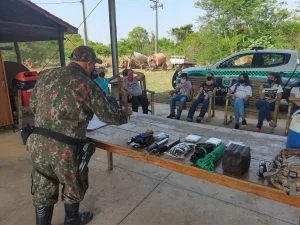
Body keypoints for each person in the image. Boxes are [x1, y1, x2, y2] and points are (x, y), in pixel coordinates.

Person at [27, 46, 130, 225]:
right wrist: (126, 114)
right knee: (73, 183)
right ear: (89, 64)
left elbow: (33, 106)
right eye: (93, 66)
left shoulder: (46, 75)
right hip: (66, 149)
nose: (93, 69)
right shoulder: (86, 83)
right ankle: (72, 220)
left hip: (37, 143)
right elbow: (109, 116)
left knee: (43, 186)